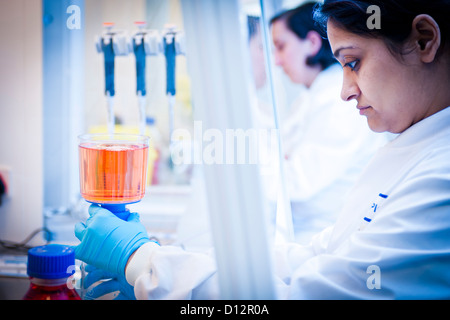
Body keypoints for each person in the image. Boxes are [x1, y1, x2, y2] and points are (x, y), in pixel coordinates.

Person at [75, 0, 450, 299]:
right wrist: (164, 263)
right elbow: (314, 257)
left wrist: (144, 262)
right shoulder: (409, 148)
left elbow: (291, 297)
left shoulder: (440, 179)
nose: (345, 90)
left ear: (423, 39)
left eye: (354, 62)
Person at [267, 2, 388, 243]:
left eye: (281, 47)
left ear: (311, 43)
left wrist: (277, 161)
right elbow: (281, 165)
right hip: (302, 235)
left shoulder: (338, 103)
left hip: (325, 235)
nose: (277, 61)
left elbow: (296, 182)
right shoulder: (309, 99)